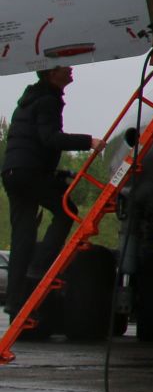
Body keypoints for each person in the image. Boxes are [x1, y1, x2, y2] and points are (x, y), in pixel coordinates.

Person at [3, 66, 101, 316]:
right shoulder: (48, 100)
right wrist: (88, 142)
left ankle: (15, 302)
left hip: (13, 173)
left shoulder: (28, 101)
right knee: (67, 210)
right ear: (51, 74)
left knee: (22, 238)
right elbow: (50, 138)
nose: (71, 70)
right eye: (64, 68)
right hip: (30, 172)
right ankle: (39, 266)